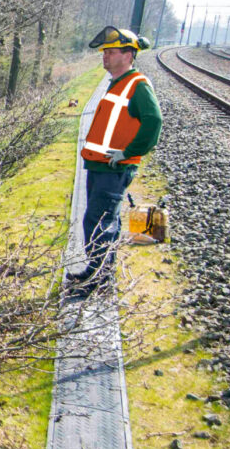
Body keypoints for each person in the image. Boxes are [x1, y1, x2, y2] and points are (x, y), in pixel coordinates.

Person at [66, 25, 162, 298]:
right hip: (100, 166)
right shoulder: (117, 84)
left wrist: (128, 152)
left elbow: (154, 122)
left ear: (128, 54)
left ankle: (97, 280)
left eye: (110, 51)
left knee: (98, 221)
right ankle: (99, 273)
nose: (104, 56)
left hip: (113, 168)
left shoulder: (137, 85)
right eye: (104, 52)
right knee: (104, 220)